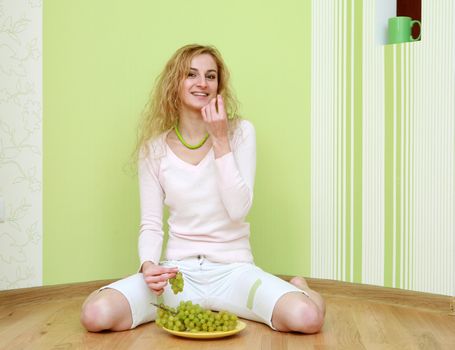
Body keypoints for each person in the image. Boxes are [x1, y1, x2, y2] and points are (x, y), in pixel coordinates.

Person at [80, 44, 325, 333]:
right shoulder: (154, 150)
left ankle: (302, 289)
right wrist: (148, 265)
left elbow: (238, 209)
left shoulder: (241, 133)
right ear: (175, 84)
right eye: (191, 74)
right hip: (178, 274)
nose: (202, 83)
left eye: (211, 76)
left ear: (218, 85)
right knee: (96, 314)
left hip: (234, 272)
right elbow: (151, 224)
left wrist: (221, 140)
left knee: (307, 318)